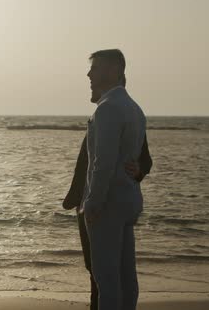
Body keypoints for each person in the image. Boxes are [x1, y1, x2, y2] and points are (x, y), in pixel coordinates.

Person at [79, 49, 147, 310]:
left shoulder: (107, 109)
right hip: (128, 199)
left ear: (113, 70)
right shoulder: (134, 108)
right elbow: (132, 157)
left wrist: (93, 203)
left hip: (108, 202)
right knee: (126, 276)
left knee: (106, 278)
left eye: (94, 68)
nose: (89, 74)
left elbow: (103, 162)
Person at [62, 131, 151, 310]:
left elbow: (145, 160)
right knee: (93, 267)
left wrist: (139, 169)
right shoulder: (100, 118)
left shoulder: (118, 117)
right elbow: (85, 165)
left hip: (106, 206)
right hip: (84, 203)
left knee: (105, 271)